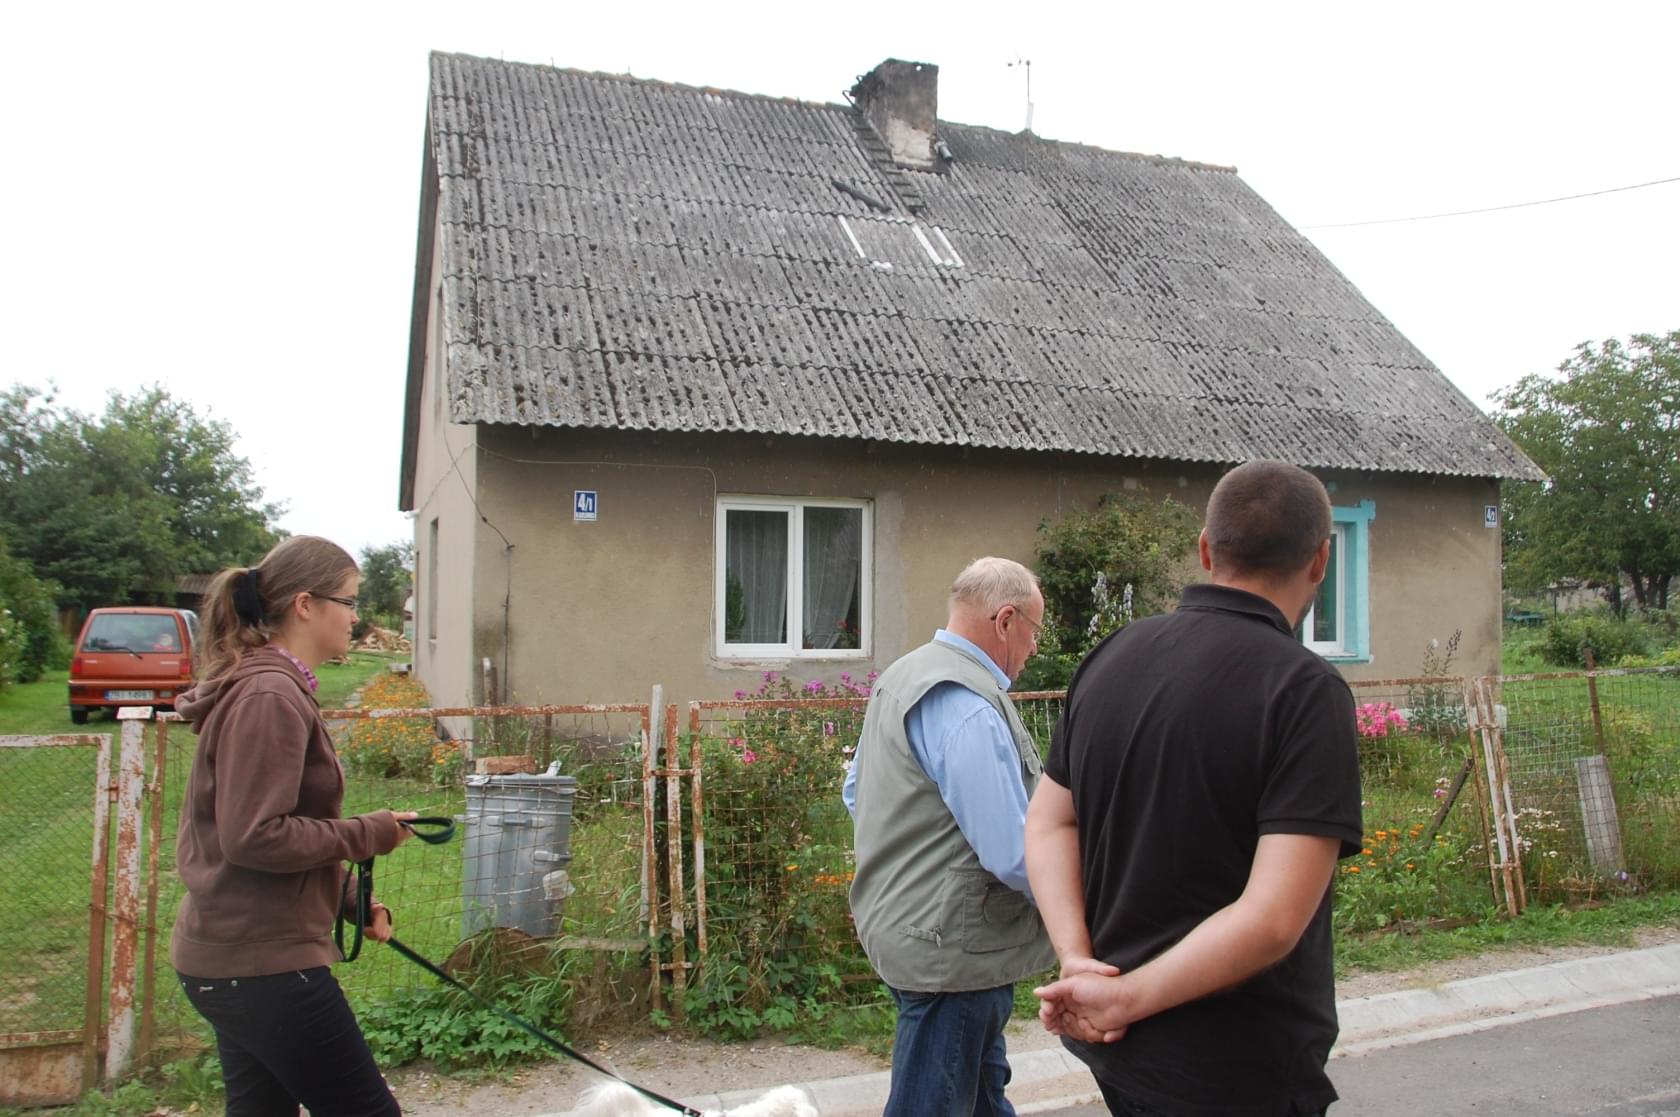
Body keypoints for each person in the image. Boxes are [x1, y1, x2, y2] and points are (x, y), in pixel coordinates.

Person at [1026, 461, 1363, 1117]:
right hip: (1237, 1065)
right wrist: (1119, 998)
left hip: (1124, 1054)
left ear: (1207, 549)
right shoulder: (1305, 690)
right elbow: (1272, 919)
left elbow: (1049, 822)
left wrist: (1077, 959)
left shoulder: (1113, 655)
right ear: (1321, 560)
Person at [171, 535, 417, 1117]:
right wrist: (369, 832)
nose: (357, 618)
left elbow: (284, 828)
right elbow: (254, 835)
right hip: (262, 965)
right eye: (350, 601)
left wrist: (351, 898)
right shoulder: (269, 694)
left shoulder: (274, 686)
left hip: (241, 959)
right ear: (306, 605)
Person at [843, 556, 1062, 1117]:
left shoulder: (903, 676)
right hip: (952, 949)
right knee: (934, 1104)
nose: (1034, 647)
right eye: (1035, 631)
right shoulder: (967, 704)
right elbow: (1012, 852)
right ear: (1005, 620)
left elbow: (856, 793)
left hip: (910, 929)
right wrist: (1079, 907)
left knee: (982, 1093)